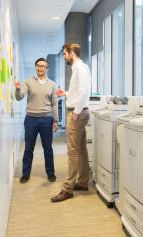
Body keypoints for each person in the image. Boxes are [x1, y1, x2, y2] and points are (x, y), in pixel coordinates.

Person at [51, 43, 91, 202]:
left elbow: (84, 92)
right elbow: (78, 92)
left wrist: (76, 112)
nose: (64, 57)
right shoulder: (80, 68)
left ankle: (68, 188)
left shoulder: (79, 68)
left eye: (65, 54)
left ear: (72, 53)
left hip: (77, 113)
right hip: (80, 111)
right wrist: (66, 94)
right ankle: (82, 182)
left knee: (72, 151)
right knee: (81, 149)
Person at [15, 58, 58, 184]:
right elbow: (19, 97)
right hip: (31, 119)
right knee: (28, 148)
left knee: (48, 148)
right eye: (38, 65)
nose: (40, 68)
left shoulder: (52, 84)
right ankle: (25, 174)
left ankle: (50, 173)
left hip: (46, 120)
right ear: (36, 67)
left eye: (43, 66)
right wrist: (17, 88)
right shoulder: (28, 81)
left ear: (47, 69)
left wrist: (55, 120)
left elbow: (54, 104)